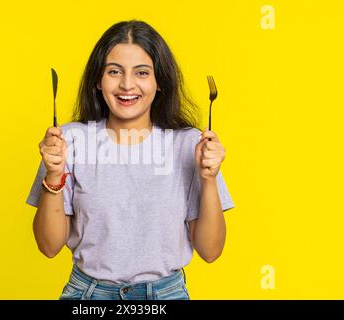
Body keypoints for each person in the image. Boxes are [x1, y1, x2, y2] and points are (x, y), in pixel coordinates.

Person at [26, 20, 235, 300]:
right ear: (98, 81)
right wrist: (54, 176)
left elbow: (211, 251)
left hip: (165, 296)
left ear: (159, 82)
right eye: (114, 71)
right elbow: (49, 246)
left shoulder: (190, 144)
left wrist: (208, 179)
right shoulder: (67, 142)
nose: (127, 84)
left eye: (142, 72)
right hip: (88, 295)